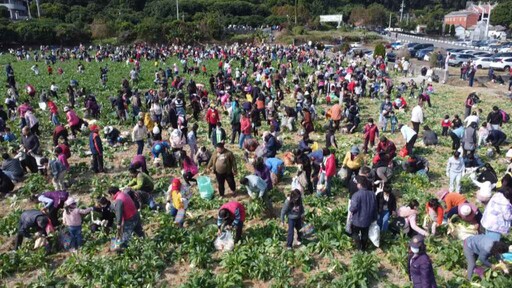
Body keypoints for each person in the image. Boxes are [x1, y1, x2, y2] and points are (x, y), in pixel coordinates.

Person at [349, 176, 377, 251]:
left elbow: (353, 208)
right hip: (368, 219)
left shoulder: (356, 195)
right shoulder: (372, 194)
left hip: (357, 219)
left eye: (357, 183)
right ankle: (364, 248)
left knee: (354, 233)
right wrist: (374, 217)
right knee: (365, 234)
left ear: (360, 185)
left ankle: (359, 247)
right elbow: (375, 207)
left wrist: (350, 209)